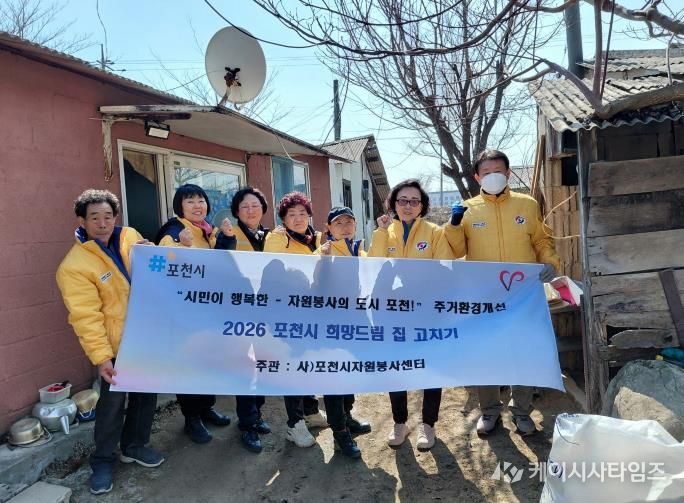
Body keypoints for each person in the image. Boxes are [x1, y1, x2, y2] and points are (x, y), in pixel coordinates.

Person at [444, 149, 560, 437]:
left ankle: (522, 411)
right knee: (486, 352)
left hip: (523, 295)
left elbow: (542, 239)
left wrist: (549, 262)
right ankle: (489, 411)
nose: (492, 176)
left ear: (508, 173)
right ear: (477, 177)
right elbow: (455, 250)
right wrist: (454, 225)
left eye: (498, 171)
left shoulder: (527, 204)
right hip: (484, 296)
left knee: (523, 352)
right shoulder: (468, 209)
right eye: (486, 172)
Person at [56, 189, 164, 495]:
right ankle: (102, 461)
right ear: (82, 221)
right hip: (116, 347)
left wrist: (153, 251)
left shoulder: (130, 237)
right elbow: (85, 317)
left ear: (116, 216)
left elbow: (156, 270)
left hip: (147, 336)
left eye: (108, 216)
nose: (102, 223)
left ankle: (135, 446)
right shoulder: (74, 265)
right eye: (94, 217)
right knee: (112, 406)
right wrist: (102, 357)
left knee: (145, 397)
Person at [368, 179, 454, 450]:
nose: (408, 206)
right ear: (393, 204)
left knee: (431, 367)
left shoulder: (435, 232)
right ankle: (400, 423)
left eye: (414, 201)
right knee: (396, 367)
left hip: (426, 312)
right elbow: (374, 265)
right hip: (392, 313)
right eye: (402, 200)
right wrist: (381, 232)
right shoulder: (385, 231)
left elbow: (444, 269)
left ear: (422, 205)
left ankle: (428, 425)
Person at [155, 184, 235, 444]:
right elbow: (164, 268)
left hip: (209, 311)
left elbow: (219, 264)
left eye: (201, 200)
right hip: (184, 315)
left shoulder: (207, 230)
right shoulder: (174, 232)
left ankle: (206, 408)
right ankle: (191, 418)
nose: (197, 205)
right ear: (180, 207)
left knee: (208, 361)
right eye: (190, 201)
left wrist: (226, 238)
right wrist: (183, 247)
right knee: (188, 364)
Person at [263, 191, 329, 448]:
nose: (298, 218)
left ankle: (311, 411)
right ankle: (295, 424)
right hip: (287, 314)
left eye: (303, 213)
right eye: (292, 214)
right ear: (283, 219)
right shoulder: (276, 238)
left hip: (314, 312)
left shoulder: (318, 238)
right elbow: (285, 269)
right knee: (292, 366)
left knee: (309, 362)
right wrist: (320, 255)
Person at [215, 186, 272, 453]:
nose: (250, 211)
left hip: (266, 310)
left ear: (263, 209)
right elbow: (220, 264)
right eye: (245, 207)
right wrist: (226, 239)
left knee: (262, 363)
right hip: (239, 311)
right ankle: (247, 425)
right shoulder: (228, 234)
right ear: (236, 211)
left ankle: (256, 415)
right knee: (245, 366)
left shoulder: (271, 236)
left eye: (255, 206)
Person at [314, 206, 373, 459]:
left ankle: (347, 417)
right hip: (330, 326)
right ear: (329, 228)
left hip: (355, 322)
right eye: (338, 223)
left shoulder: (361, 252)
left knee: (350, 372)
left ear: (356, 226)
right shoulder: (322, 252)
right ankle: (339, 433)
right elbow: (316, 288)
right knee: (334, 378)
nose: (345, 227)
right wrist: (324, 262)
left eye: (349, 222)